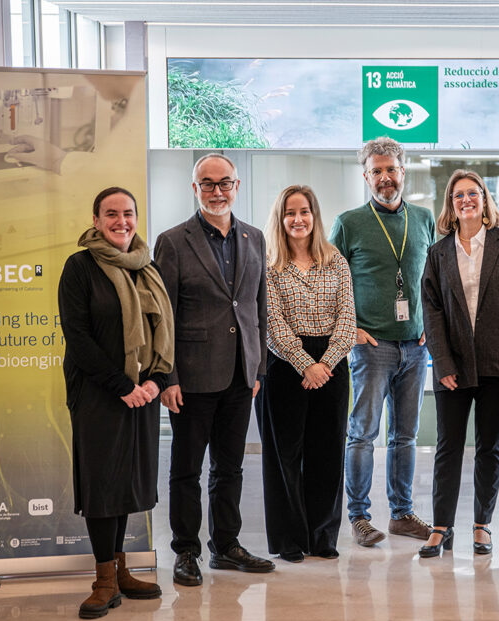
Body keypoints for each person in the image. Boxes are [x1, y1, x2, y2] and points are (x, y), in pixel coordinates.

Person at [155, 153, 275, 585]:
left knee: (231, 467)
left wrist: (258, 368)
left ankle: (226, 546)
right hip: (190, 377)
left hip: (241, 374)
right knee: (186, 470)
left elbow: (258, 308)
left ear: (237, 186)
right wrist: (167, 377)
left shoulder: (255, 237)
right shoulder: (172, 241)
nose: (217, 191)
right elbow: (162, 315)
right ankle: (186, 551)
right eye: (208, 184)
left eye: (224, 182)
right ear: (195, 189)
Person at [59, 186, 174, 619]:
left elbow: (164, 330)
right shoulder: (80, 267)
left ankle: (122, 572)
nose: (120, 221)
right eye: (111, 214)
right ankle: (103, 580)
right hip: (99, 393)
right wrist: (121, 385)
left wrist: (156, 380)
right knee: (102, 484)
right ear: (96, 220)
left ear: (137, 218)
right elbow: (78, 337)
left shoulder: (148, 267)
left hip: (143, 394)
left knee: (126, 482)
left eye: (128, 213)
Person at [330, 137, 436, 547]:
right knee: (362, 434)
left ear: (403, 172)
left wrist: (432, 323)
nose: (385, 178)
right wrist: (350, 329)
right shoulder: (349, 222)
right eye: (376, 171)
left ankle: (402, 514)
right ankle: (359, 517)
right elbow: (331, 281)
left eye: (391, 169)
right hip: (370, 347)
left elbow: (434, 279)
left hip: (415, 346)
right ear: (366, 176)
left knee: (406, 435)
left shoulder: (424, 219)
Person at [419, 170, 499, 558]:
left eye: (473, 193)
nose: (466, 200)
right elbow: (431, 311)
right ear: (451, 204)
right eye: (458, 195)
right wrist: (442, 361)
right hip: (453, 366)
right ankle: (440, 527)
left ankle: (482, 524)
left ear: (485, 199)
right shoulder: (439, 253)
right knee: (448, 447)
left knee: (490, 446)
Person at [256, 185, 356, 562]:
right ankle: (289, 540)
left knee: (328, 451)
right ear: (280, 219)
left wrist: (325, 364)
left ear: (315, 216)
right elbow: (272, 324)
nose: (298, 219)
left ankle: (323, 535)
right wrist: (305, 364)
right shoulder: (268, 264)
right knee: (284, 455)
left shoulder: (337, 262)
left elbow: (348, 320)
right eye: (290, 212)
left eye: (304, 212)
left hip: (331, 364)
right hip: (284, 365)